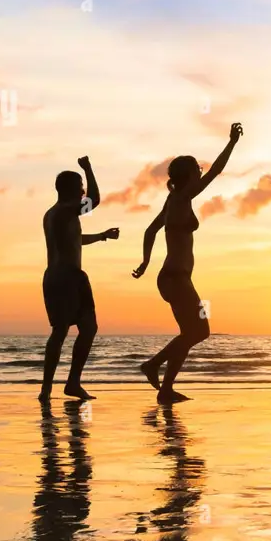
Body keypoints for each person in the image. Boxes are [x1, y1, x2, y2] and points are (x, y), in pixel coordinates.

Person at [133, 123, 243, 403]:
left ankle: (165, 387)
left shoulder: (173, 201)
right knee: (200, 330)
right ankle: (153, 366)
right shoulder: (181, 197)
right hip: (176, 277)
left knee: (191, 332)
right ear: (189, 176)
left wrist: (146, 262)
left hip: (174, 277)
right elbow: (217, 171)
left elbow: (150, 230)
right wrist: (231, 142)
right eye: (197, 170)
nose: (200, 174)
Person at [39, 156, 119, 402]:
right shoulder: (66, 209)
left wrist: (102, 236)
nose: (84, 190)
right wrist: (88, 167)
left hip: (54, 277)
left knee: (62, 331)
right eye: (81, 186)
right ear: (73, 190)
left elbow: (75, 240)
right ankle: (71, 383)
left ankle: (47, 390)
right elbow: (94, 200)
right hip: (69, 278)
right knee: (83, 328)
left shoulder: (54, 214)